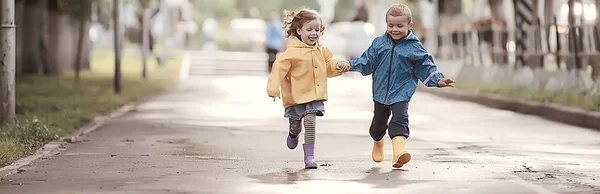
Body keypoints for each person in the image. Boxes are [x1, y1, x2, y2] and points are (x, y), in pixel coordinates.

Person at [347, 3, 455, 168]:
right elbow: (366, 60)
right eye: (391, 25)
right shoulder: (379, 43)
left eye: (399, 26)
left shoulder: (414, 47)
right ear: (386, 24)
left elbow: (426, 65)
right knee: (378, 125)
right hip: (380, 92)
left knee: (400, 119)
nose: (395, 29)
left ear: (409, 25)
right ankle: (378, 142)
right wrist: (350, 65)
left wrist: (438, 80)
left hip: (402, 92)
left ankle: (399, 154)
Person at [266, 8, 351, 169]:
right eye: (309, 29)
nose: (314, 33)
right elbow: (278, 69)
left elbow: (328, 66)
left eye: (317, 30)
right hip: (296, 97)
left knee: (310, 121)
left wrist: (338, 65)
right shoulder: (291, 53)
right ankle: (293, 133)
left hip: (314, 95)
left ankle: (309, 157)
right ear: (299, 30)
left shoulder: (321, 51)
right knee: (297, 125)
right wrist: (273, 88)